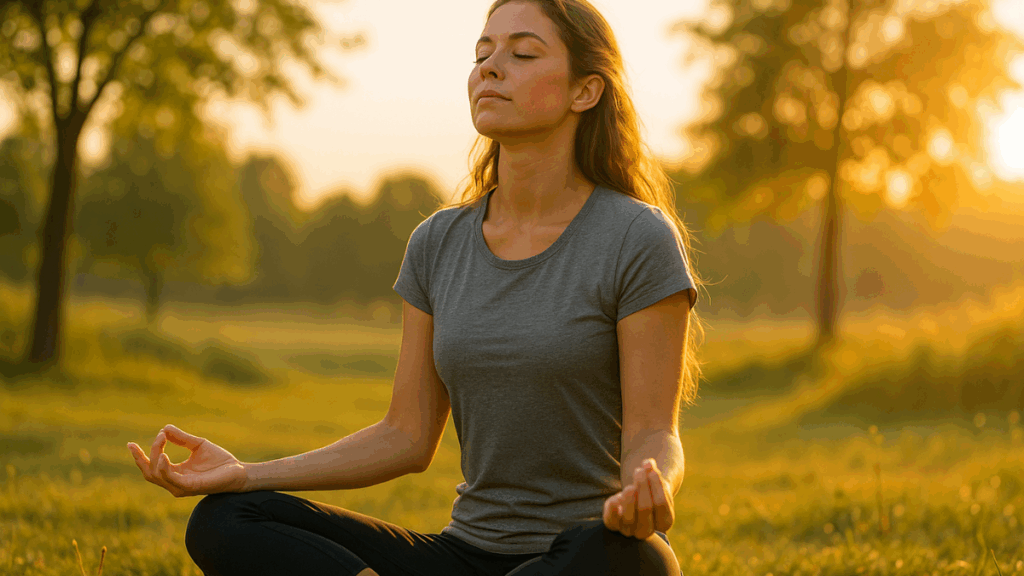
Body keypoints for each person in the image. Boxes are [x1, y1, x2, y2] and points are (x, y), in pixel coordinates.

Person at [126, 1, 704, 574]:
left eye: (523, 53)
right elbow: (406, 435)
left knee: (639, 561)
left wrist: (647, 483)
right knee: (227, 518)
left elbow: (654, 430)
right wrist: (246, 474)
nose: (490, 67)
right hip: (461, 554)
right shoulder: (437, 243)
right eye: (483, 54)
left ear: (586, 92)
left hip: (581, 552)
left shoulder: (636, 237)